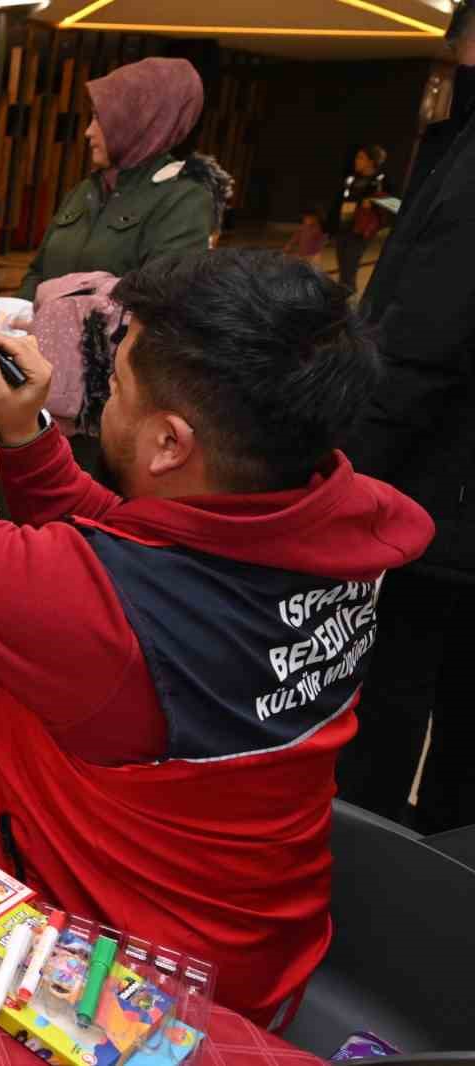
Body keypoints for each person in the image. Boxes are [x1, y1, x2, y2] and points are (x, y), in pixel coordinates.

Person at [0, 234, 432, 1022]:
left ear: (170, 442)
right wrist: (31, 440)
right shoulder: (342, 527)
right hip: (256, 954)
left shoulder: (105, 616)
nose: (102, 397)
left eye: (118, 387)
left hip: (115, 992)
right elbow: (151, 550)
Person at [336, 17, 475, 834]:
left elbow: (425, 338)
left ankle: (391, 879)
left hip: (440, 488)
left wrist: (348, 470)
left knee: (398, 693)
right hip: (442, 481)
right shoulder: (455, 139)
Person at [16, 57, 214, 300]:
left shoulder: (183, 201)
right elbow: (37, 273)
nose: (88, 131)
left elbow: (161, 303)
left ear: (138, 121)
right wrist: (15, 319)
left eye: (99, 118)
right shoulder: (86, 189)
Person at [329, 144, 389, 294]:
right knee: (344, 268)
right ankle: (346, 300)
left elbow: (395, 204)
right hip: (344, 226)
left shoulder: (381, 181)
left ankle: (346, 304)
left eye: (360, 157)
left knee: (349, 268)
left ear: (371, 161)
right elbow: (340, 202)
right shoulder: (351, 179)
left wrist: (374, 201)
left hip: (361, 230)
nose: (356, 160)